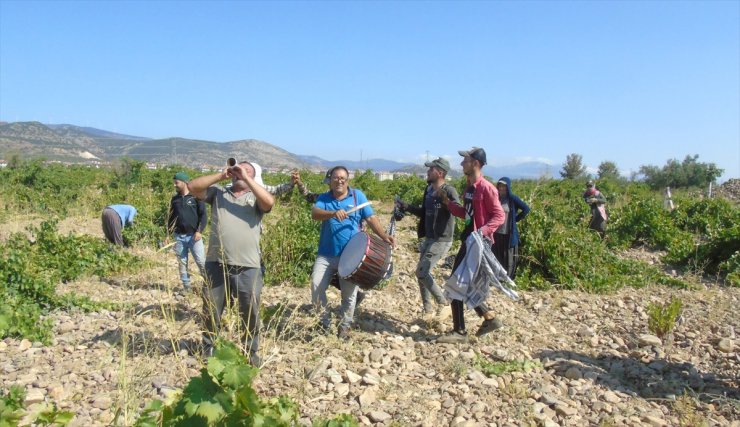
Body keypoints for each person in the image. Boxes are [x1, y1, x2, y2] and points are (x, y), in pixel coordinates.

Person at [188, 161, 275, 366]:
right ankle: (208, 348)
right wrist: (222, 175)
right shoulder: (218, 194)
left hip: (249, 265)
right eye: (238, 169)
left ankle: (250, 351)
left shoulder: (255, 197)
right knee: (211, 309)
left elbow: (269, 203)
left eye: (247, 170)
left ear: (254, 176)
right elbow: (193, 187)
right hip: (216, 263)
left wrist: (247, 178)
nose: (240, 172)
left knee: (250, 310)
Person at [310, 166, 395, 340]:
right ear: (330, 180)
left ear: (347, 180)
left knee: (348, 296)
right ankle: (324, 323)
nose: (339, 181)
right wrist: (332, 213)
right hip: (326, 254)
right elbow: (315, 214)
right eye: (335, 178)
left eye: (342, 178)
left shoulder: (358, 197)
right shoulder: (324, 198)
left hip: (351, 256)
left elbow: (371, 218)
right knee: (315, 286)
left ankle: (344, 327)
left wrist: (384, 236)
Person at [436, 147, 505, 344]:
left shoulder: (487, 188)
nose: (461, 164)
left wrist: (480, 232)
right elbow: (467, 214)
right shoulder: (470, 187)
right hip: (469, 240)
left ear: (475, 163)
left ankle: (460, 331)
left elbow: (499, 216)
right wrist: (448, 204)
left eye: (465, 160)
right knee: (463, 283)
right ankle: (489, 318)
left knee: (456, 281)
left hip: (476, 243)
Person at [397, 158, 458, 319]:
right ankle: (428, 311)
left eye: (431, 169)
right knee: (421, 273)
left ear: (440, 172)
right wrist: (407, 207)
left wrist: (445, 200)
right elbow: (423, 213)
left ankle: (443, 303)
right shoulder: (428, 190)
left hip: (442, 239)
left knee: (422, 272)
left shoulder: (450, 190)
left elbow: (459, 211)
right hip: (429, 238)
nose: (428, 172)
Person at [167, 172, 207, 292]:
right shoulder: (175, 199)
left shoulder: (196, 197)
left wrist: (199, 231)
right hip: (179, 236)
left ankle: (208, 285)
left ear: (184, 182)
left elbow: (203, 215)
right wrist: (168, 234)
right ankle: (186, 287)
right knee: (182, 262)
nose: (174, 185)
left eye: (176, 182)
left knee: (201, 261)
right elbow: (171, 218)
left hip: (194, 236)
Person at [492, 177, 530, 279]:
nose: (501, 188)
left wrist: (515, 219)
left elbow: (526, 209)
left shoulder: (512, 199)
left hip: (508, 233)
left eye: (504, 186)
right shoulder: (497, 198)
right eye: (500, 185)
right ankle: (498, 277)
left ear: (508, 187)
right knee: (497, 255)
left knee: (508, 257)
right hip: (497, 233)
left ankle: (507, 278)